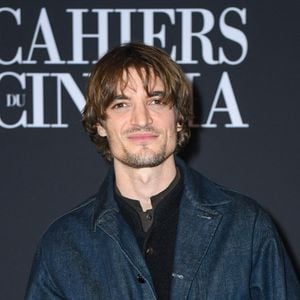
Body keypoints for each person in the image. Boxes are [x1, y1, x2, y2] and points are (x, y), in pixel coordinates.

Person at [25, 42, 299, 299]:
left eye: (156, 101)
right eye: (121, 105)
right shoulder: (64, 245)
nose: (141, 119)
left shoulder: (246, 228)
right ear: (100, 123)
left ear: (179, 117)